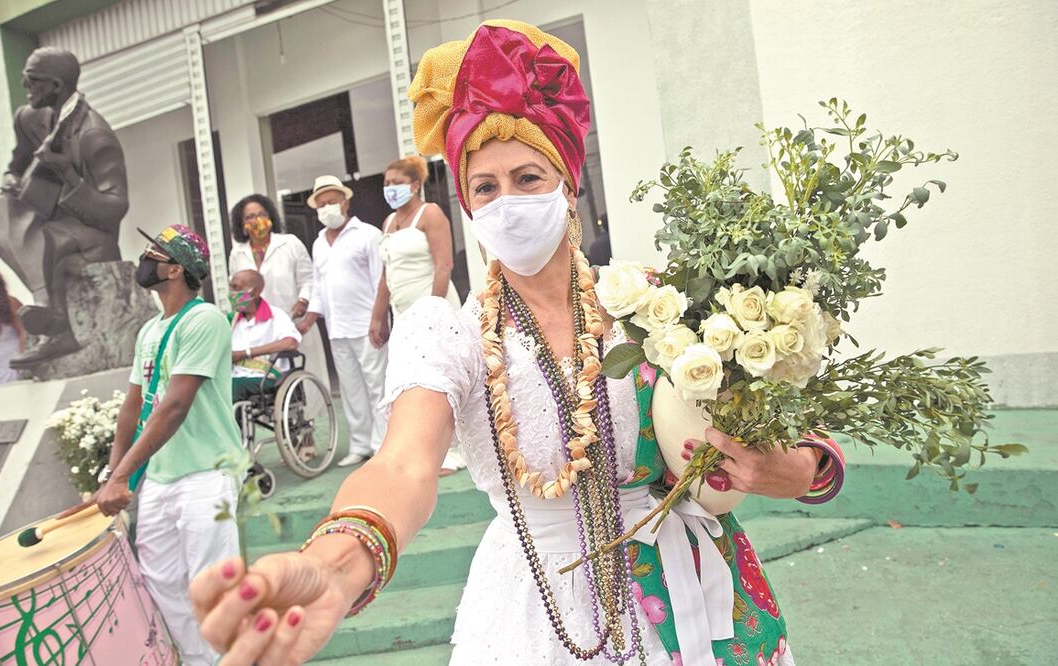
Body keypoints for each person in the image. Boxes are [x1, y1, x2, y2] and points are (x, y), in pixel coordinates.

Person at [188, 21, 846, 666]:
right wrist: (337, 563)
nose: (506, 202)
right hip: (538, 610)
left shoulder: (654, 300)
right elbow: (403, 466)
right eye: (485, 187)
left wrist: (791, 469)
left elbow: (787, 429)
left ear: (568, 184)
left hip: (697, 587)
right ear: (468, 207)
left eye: (528, 178)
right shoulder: (450, 334)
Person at [67, 224, 247, 665]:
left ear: (175, 269)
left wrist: (124, 474)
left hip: (208, 473)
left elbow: (174, 406)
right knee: (161, 581)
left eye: (153, 254)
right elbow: (132, 408)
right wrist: (112, 476)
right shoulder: (150, 330)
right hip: (162, 478)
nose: (144, 260)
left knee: (212, 586)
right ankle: (198, 660)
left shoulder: (204, 320)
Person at [0, 46, 129, 367]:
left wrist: (66, 173)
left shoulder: (95, 135)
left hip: (90, 229)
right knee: (2, 215)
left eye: (32, 80)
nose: (24, 86)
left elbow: (114, 210)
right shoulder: (28, 117)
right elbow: (17, 162)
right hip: (47, 214)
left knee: (41, 238)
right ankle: (48, 308)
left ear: (55, 86)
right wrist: (12, 177)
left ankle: (58, 330)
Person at [371, 155, 466, 475]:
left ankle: (454, 452)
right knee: (410, 382)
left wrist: (432, 311)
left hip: (432, 307)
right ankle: (423, 449)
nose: (389, 188)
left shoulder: (431, 213)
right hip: (402, 314)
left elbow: (444, 266)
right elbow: (386, 275)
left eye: (396, 183)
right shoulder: (388, 222)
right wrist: (378, 316)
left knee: (441, 378)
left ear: (414, 185)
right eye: (386, 183)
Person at [301, 175, 387, 467]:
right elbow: (317, 286)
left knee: (377, 386)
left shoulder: (368, 234)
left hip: (367, 325)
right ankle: (360, 444)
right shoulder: (318, 244)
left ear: (345, 202)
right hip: (336, 328)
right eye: (321, 204)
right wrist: (309, 319)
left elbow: (381, 280)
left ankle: (381, 445)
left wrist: (379, 319)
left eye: (331, 201)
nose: (327, 208)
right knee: (351, 389)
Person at [227, 195, 330, 392]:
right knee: (262, 385)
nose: (256, 220)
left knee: (305, 384)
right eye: (250, 217)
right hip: (258, 330)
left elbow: (309, 280)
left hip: (293, 323)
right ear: (241, 224)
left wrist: (303, 301)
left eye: (261, 214)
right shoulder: (237, 253)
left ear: (271, 217)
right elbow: (236, 287)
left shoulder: (290, 243)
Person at [228, 269, 301, 402]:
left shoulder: (276, 315)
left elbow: (291, 343)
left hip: (267, 377)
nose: (231, 294)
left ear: (254, 292)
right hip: (234, 375)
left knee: (232, 388)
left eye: (236, 288)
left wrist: (246, 353)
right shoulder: (231, 320)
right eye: (230, 288)